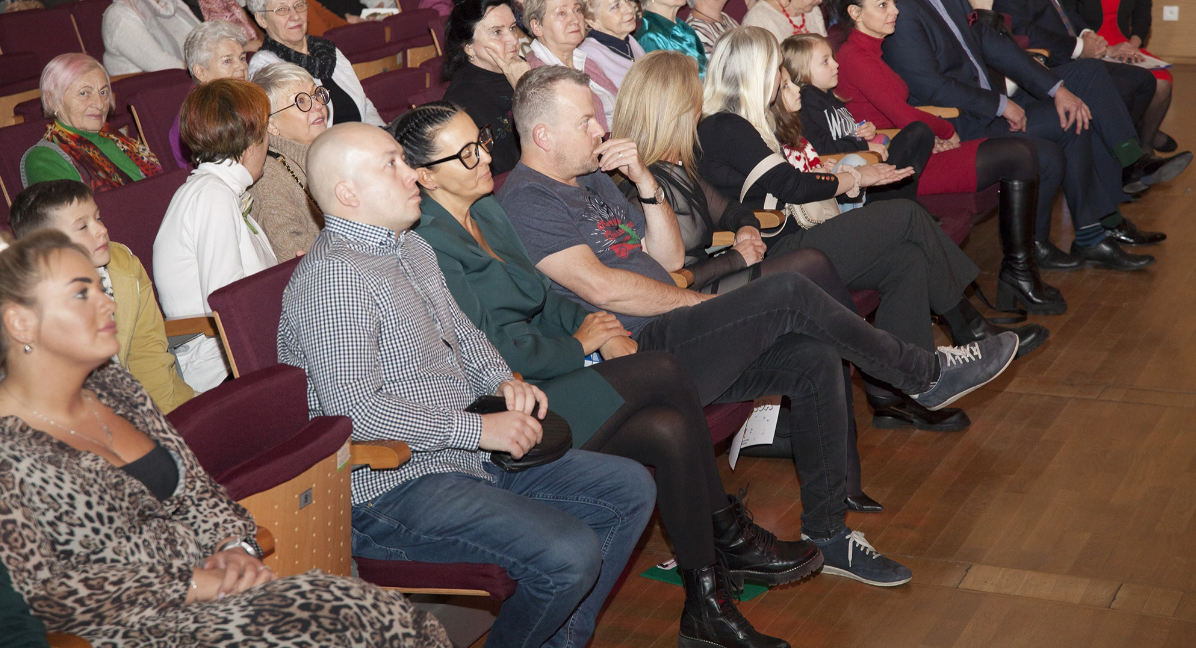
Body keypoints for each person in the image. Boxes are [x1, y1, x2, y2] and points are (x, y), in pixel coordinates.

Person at [498, 64, 1021, 587]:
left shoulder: (590, 178)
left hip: (673, 322)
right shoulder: (526, 200)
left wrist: (644, 183)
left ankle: (829, 535)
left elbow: (665, 255)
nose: (601, 130)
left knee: (813, 359)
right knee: (791, 289)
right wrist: (694, 303)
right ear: (544, 135)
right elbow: (604, 289)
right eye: (587, 121)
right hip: (639, 352)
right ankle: (921, 375)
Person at [396, 101, 821, 648]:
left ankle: (706, 602)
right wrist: (579, 345)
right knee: (665, 370)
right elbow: (488, 346)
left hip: (549, 371)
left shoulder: (486, 210)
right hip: (504, 401)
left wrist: (599, 327)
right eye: (467, 153)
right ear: (426, 176)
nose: (485, 157)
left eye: (480, 140)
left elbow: (545, 297)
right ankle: (727, 536)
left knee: (668, 429)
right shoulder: (427, 240)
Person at [277, 121, 656, 648]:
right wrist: (478, 430)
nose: (412, 174)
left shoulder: (408, 247)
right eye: (392, 164)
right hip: (391, 484)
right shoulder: (337, 278)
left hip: (464, 456)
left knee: (629, 488)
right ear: (348, 193)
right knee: (568, 552)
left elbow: (464, 333)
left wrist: (503, 381)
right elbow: (355, 412)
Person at [0, 230, 451, 648]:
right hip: (142, 627)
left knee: (394, 619)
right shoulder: (8, 449)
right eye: (82, 294)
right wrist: (195, 584)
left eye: (100, 288)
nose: (108, 305)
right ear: (20, 322)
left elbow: (196, 488)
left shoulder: (114, 388)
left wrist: (232, 547)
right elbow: (48, 594)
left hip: (222, 590)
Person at [699, 27, 1050, 356]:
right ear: (756, 74)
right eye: (776, 68)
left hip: (797, 235)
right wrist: (858, 178)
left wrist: (846, 174)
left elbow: (787, 180)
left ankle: (908, 383)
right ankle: (970, 327)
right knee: (907, 215)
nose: (781, 78)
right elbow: (789, 185)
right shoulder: (726, 125)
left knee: (907, 260)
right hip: (778, 248)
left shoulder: (744, 122)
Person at [879, 0, 1162, 270]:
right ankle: (1066, 239)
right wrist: (1000, 104)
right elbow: (931, 87)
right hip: (958, 122)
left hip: (990, 100)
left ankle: (1090, 232)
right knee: (1073, 122)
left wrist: (1055, 87)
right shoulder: (900, 8)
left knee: (1077, 101)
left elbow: (993, 45)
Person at [821, 0, 1065, 315]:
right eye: (883, 5)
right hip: (896, 168)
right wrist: (946, 130)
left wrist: (934, 132)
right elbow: (903, 115)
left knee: (1022, 153)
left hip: (911, 150)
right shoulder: (856, 56)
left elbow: (902, 114)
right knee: (1020, 154)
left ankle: (1019, 272)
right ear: (856, 13)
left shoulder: (873, 49)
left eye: (895, 3)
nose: (895, 12)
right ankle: (1019, 274)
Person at [978, 0, 1189, 183]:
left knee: (1144, 82)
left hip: (1066, 53)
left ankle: (1123, 161)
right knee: (1118, 85)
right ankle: (1126, 163)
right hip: (1043, 64)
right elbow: (1022, 31)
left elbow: (1063, 11)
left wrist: (1087, 32)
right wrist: (1079, 48)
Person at [9, 180, 194, 412]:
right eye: (82, 227)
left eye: (97, 218)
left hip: (149, 404)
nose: (101, 230)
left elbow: (147, 349)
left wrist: (170, 420)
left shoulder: (123, 265)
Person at [154, 79, 278, 392]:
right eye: (266, 135)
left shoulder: (217, 189)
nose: (270, 146)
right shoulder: (212, 196)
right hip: (218, 366)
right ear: (251, 145)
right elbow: (230, 303)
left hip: (237, 352)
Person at [1061, 0, 1176, 153]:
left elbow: (1143, 16)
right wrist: (1109, 49)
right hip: (1096, 50)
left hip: (1127, 45)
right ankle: (1143, 135)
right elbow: (1068, 24)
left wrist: (1132, 47)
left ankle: (1145, 147)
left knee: (1163, 83)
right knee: (1129, 86)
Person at [784, 33, 935, 204]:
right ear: (801, 70)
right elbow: (821, 147)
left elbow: (843, 133)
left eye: (832, 58)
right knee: (919, 131)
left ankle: (903, 203)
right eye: (825, 62)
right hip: (849, 176)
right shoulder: (807, 100)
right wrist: (863, 145)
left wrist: (864, 131)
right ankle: (894, 204)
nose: (836, 64)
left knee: (920, 133)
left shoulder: (830, 98)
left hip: (863, 163)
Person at [246, 0, 383, 126]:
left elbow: (364, 104)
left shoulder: (326, 49)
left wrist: (380, 132)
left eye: (298, 5)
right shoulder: (266, 66)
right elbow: (291, 130)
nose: (295, 15)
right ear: (262, 19)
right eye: (282, 9)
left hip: (363, 140)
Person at [21, 53, 162, 190]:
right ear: (53, 101)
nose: (100, 104)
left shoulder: (119, 139)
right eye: (84, 93)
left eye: (103, 92)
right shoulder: (44, 159)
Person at [441, 0, 525, 178]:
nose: (513, 39)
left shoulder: (518, 67)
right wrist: (524, 88)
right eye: (497, 32)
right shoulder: (465, 98)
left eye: (512, 28)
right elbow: (507, 165)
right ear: (469, 47)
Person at [248, 62, 329, 259]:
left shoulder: (334, 152)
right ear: (272, 125)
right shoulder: (269, 178)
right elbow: (291, 253)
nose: (318, 105)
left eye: (316, 94)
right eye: (301, 102)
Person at [524, 0, 618, 130]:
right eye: (561, 13)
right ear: (537, 26)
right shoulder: (537, 74)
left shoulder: (584, 60)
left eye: (577, 10)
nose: (575, 19)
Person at [167, 20, 250, 169]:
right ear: (201, 72)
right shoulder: (198, 118)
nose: (241, 66)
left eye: (242, 58)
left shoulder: (245, 98)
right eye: (227, 61)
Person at [576, 0, 644, 88]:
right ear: (592, 20)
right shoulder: (589, 58)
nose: (629, 9)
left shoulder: (629, 40)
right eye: (615, 6)